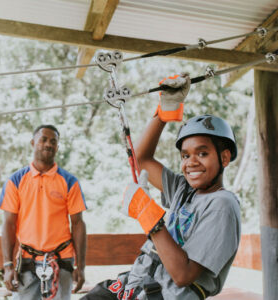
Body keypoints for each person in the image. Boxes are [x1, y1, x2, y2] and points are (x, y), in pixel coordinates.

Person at [82, 74, 241, 299]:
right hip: (138, 284)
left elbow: (183, 275)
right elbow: (140, 159)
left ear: (224, 158)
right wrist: (163, 113)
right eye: (185, 155)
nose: (191, 162)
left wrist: (150, 218)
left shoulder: (222, 205)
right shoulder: (184, 190)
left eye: (203, 153)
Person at [0, 124, 87, 300]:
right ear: (33, 143)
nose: (48, 144)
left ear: (57, 147)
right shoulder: (16, 181)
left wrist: (81, 267)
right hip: (27, 261)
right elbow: (8, 223)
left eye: (53, 141)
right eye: (43, 140)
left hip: (61, 261)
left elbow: (78, 224)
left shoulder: (69, 182)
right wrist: (8, 267)